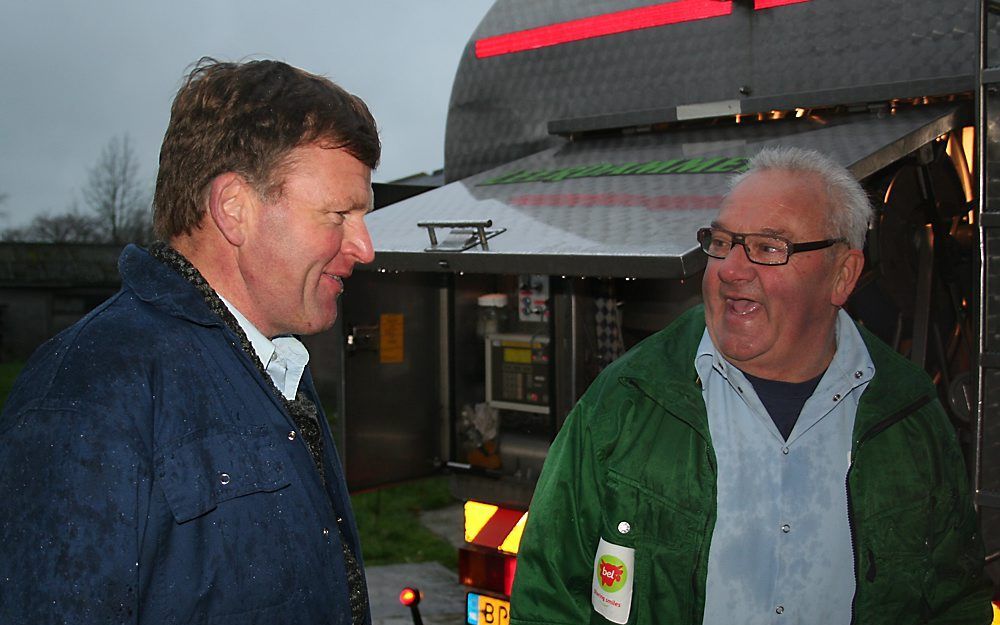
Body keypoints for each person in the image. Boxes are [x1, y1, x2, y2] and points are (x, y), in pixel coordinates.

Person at [509, 147, 992, 625]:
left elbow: (955, 600)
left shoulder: (908, 415)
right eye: (722, 243)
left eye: (768, 248)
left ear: (842, 276)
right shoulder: (628, 398)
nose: (730, 271)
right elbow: (549, 594)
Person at [0, 58, 380, 624]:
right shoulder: (91, 392)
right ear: (235, 210)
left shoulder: (270, 367)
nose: (364, 248)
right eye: (339, 214)